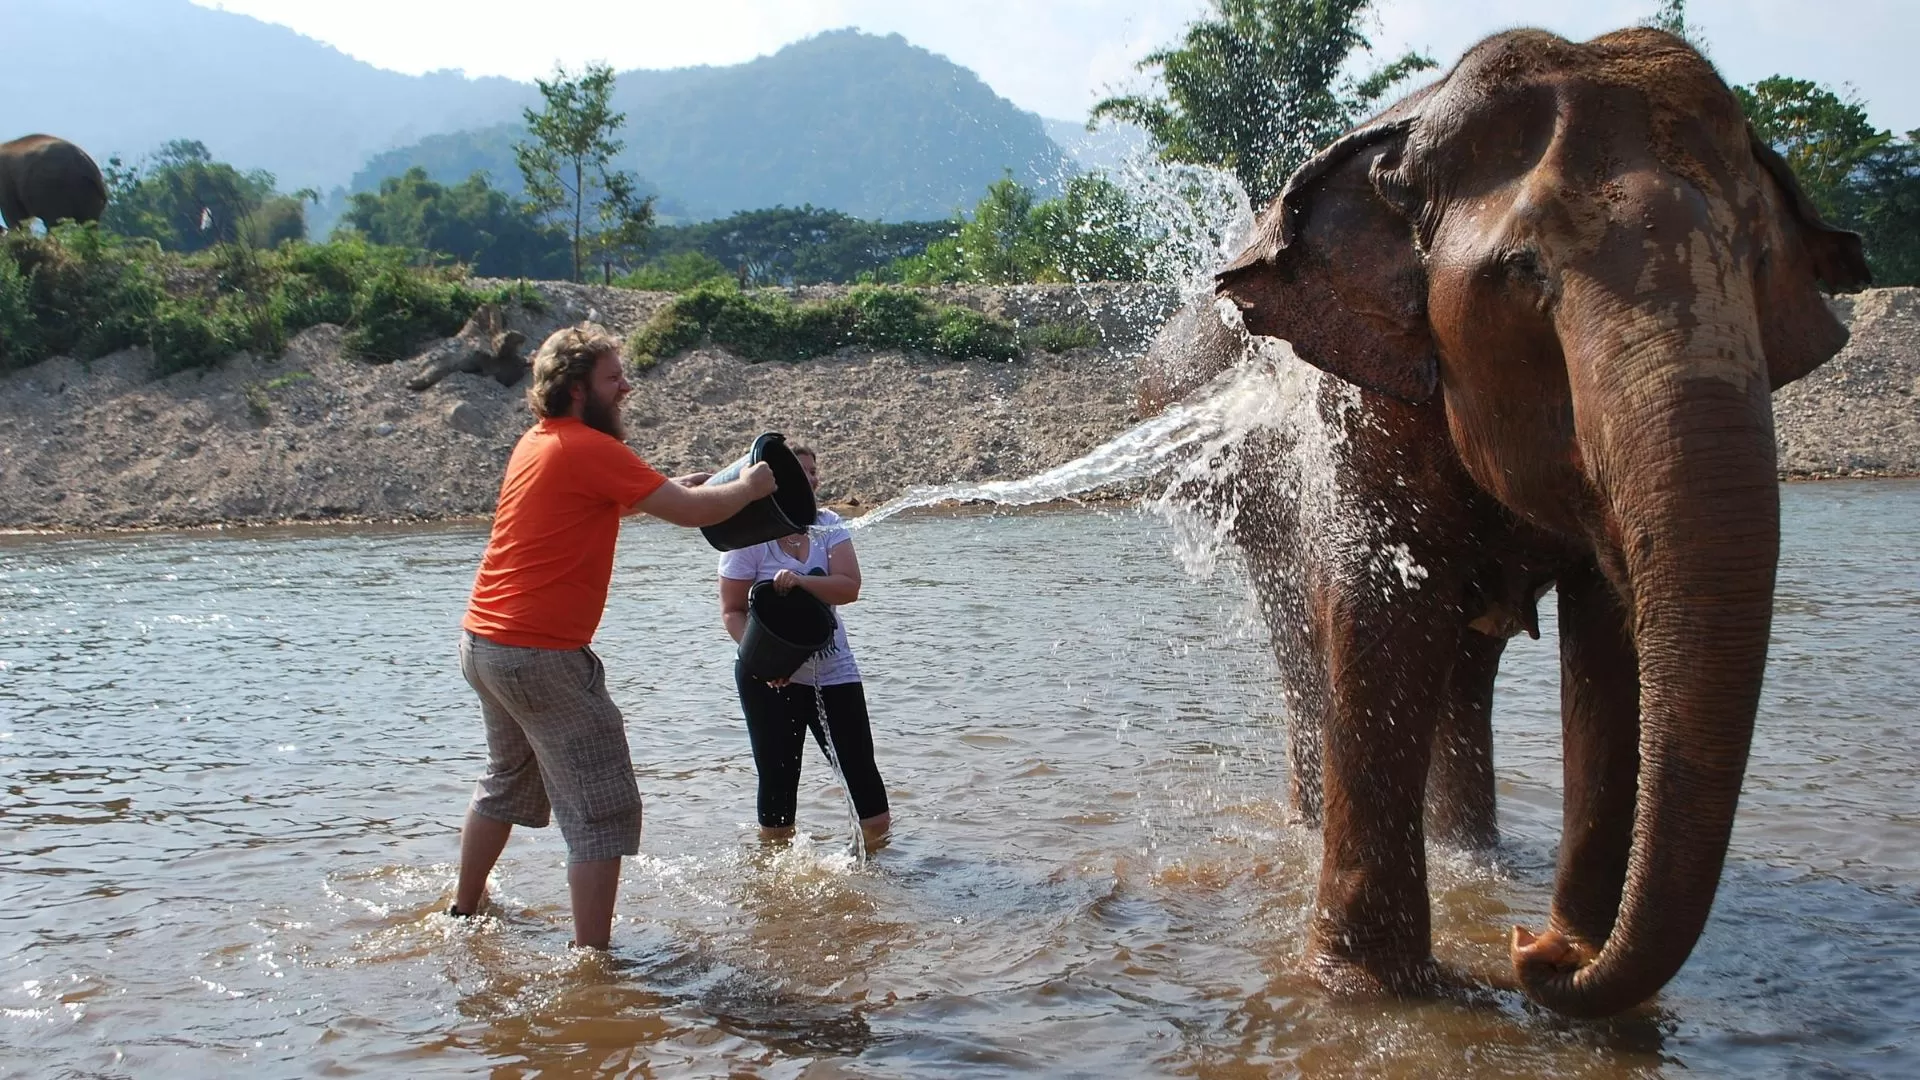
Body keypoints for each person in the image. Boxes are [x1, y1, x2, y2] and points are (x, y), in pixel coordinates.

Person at [450, 322, 776, 950]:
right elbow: (693, 514)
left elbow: (617, 498)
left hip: (485, 644)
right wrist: (751, 487)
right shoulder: (588, 447)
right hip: (539, 656)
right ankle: (592, 962)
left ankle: (465, 908)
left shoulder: (540, 441)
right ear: (578, 389)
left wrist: (683, 488)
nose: (626, 387)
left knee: (506, 778)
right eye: (613, 378)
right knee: (602, 808)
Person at [718, 444, 892, 849]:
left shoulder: (828, 524)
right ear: (772, 481)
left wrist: (801, 581)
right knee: (778, 785)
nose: (811, 479)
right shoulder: (749, 536)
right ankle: (775, 875)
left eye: (814, 471)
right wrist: (766, 664)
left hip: (834, 669)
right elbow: (731, 611)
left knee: (867, 789)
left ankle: (876, 870)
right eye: (801, 472)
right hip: (769, 678)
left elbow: (849, 587)